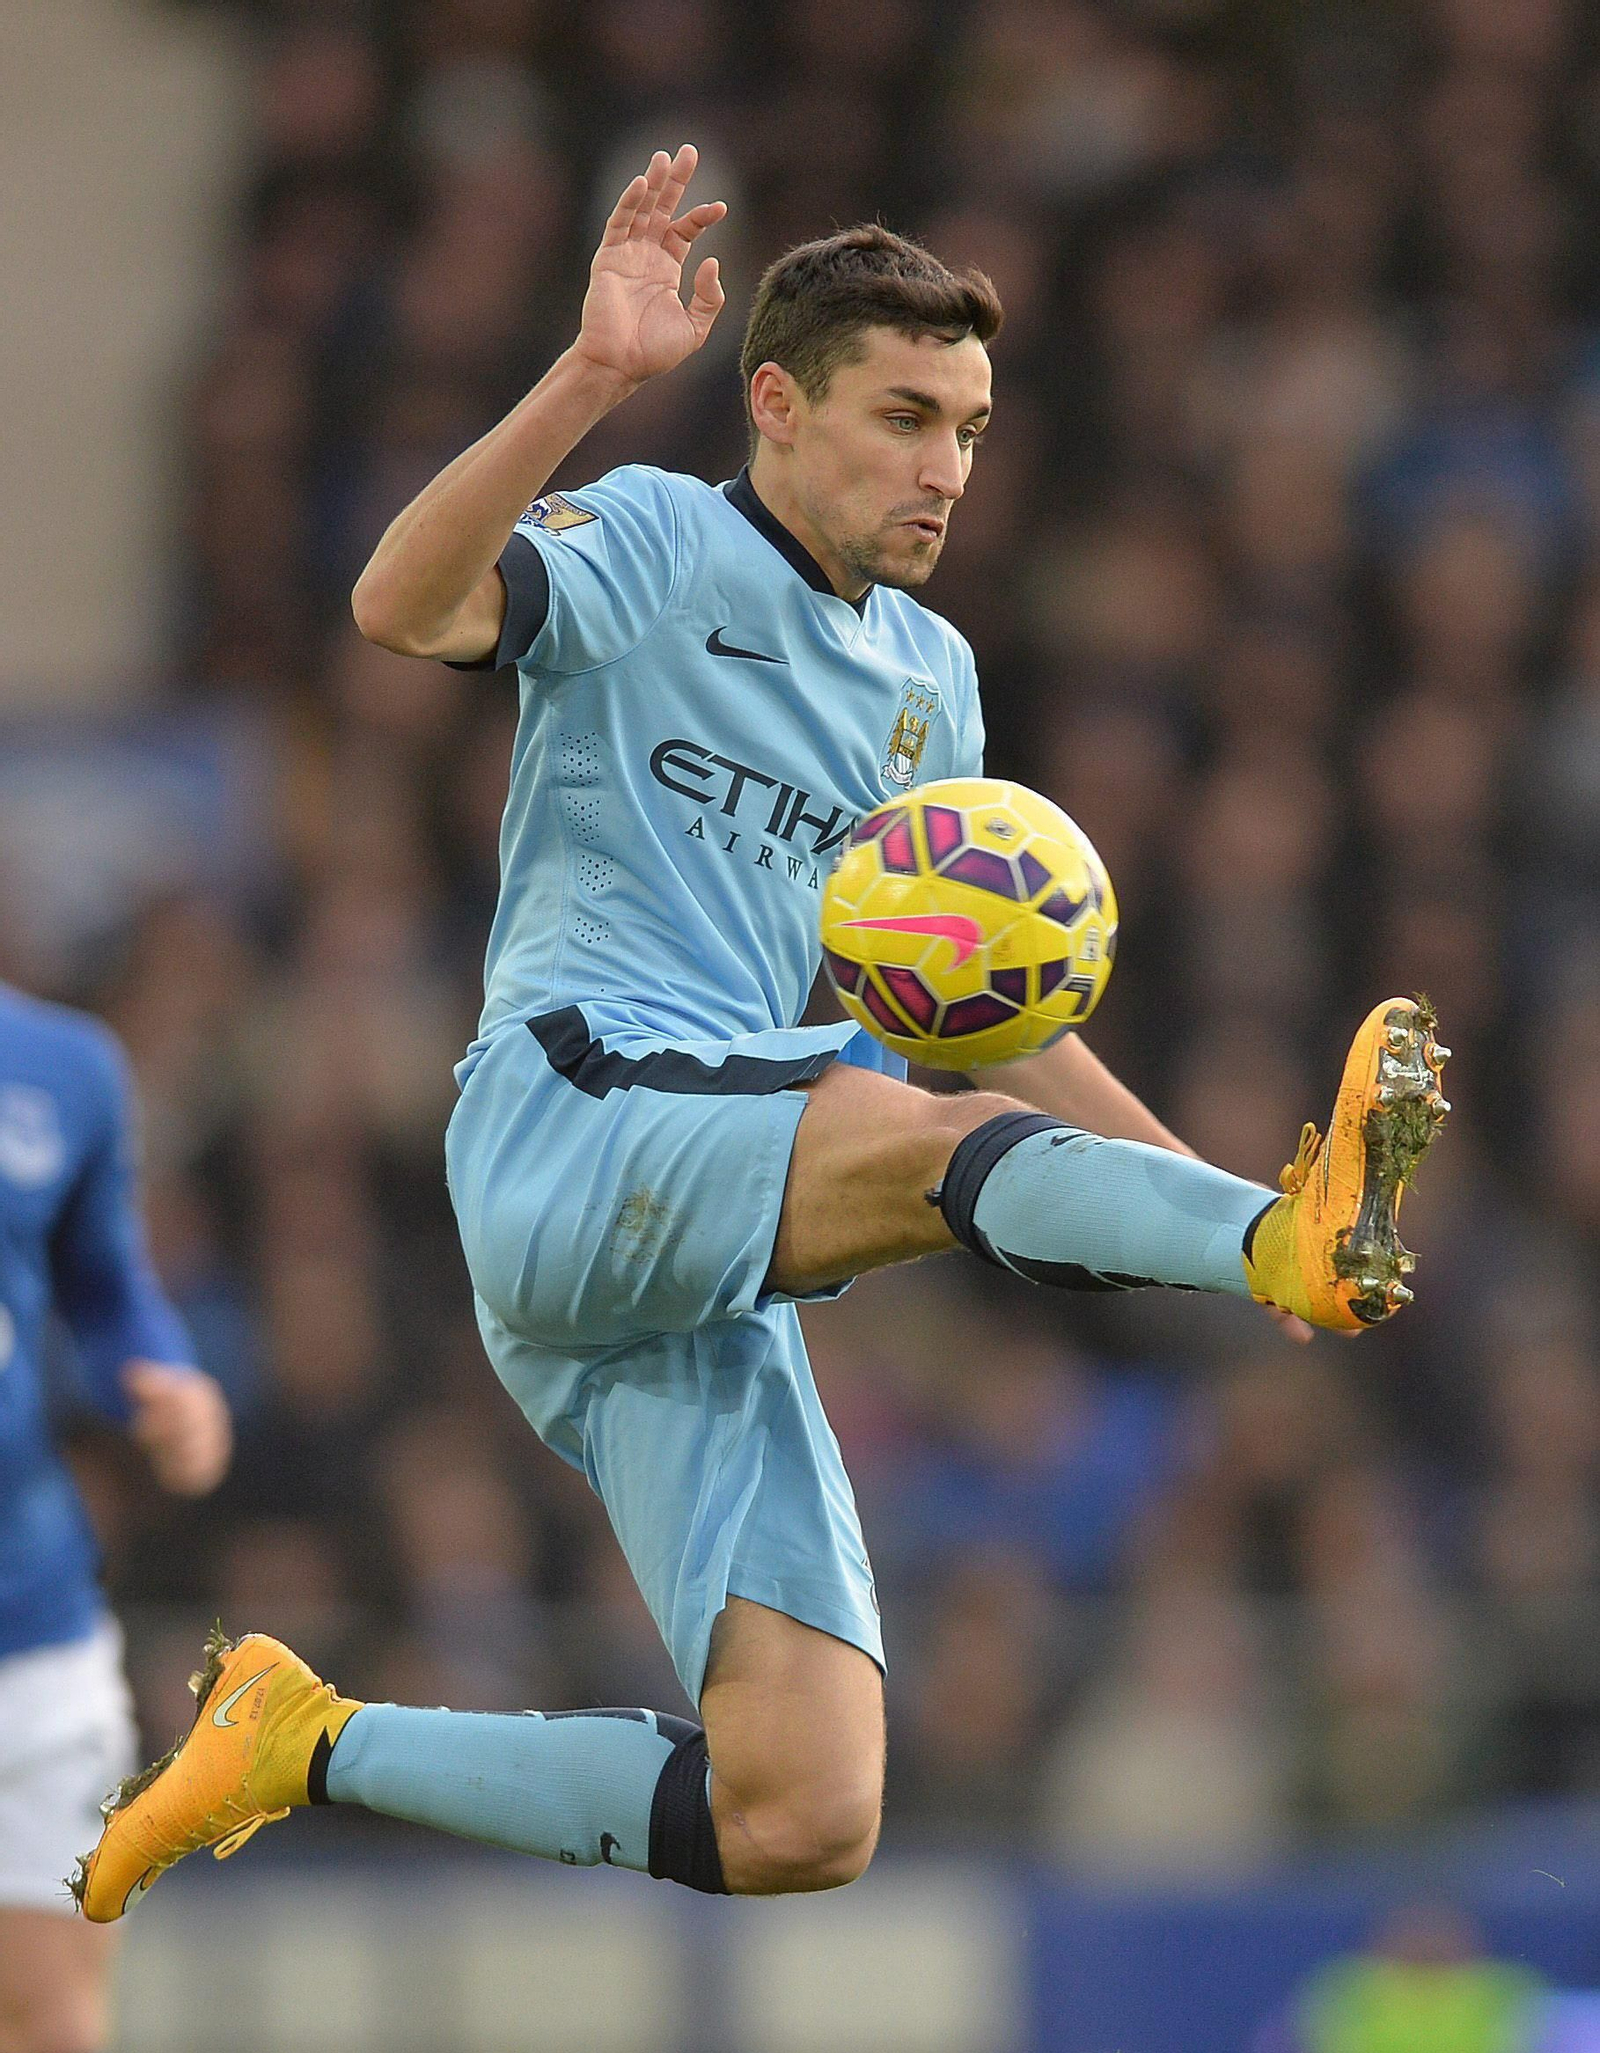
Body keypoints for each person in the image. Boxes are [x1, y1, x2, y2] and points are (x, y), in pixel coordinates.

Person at [73, 146, 1446, 1921]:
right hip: (578, 1110)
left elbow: (981, 1030)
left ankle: (296, 1738)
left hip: (700, 1232)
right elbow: (398, 607)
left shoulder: (929, 684)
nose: (947, 465)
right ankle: (1286, 1241)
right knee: (918, 1140)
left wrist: (1197, 1206)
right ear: (778, 402)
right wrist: (589, 377)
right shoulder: (657, 537)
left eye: (969, 422)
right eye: (905, 414)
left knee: (804, 1812)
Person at [0, 982, 230, 2053]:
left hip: (30, 1620)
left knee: (47, 2026)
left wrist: (163, 1369)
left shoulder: (62, 1067)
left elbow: (102, 1277)